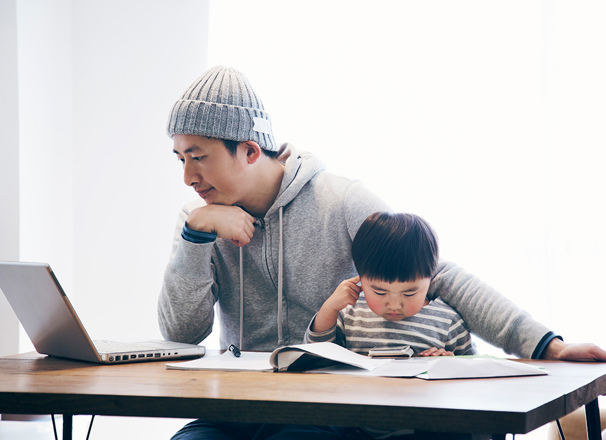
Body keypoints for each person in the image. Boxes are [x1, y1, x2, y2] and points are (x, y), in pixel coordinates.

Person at [158, 65, 606, 440]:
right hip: (235, 406)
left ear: (250, 150)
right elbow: (182, 334)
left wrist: (546, 343)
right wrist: (194, 236)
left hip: (323, 408)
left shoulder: (340, 201)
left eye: (198, 157)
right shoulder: (202, 219)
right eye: (180, 159)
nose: (188, 177)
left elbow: (434, 273)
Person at [305, 211, 477, 358]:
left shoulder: (448, 321)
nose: (394, 304)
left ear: (430, 278)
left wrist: (451, 364)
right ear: (360, 278)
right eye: (380, 292)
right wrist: (329, 308)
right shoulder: (350, 314)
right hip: (358, 396)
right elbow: (314, 356)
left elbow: (475, 374)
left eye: (409, 293)